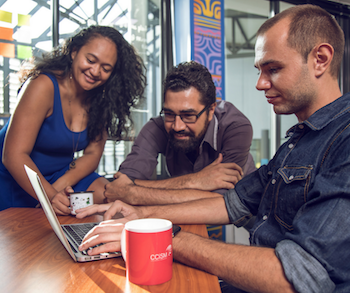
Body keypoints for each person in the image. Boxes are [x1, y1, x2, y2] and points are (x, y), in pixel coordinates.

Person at [77, 4, 350, 292]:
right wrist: (142, 216)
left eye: (273, 69)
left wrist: (161, 235)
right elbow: (231, 203)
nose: (260, 83)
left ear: (320, 59)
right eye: (259, 70)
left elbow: (298, 275)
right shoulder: (299, 140)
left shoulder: (343, 139)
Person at [0, 25, 146, 215]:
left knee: (112, 196)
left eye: (106, 68)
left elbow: (92, 154)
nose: (95, 71)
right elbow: (13, 156)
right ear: (74, 52)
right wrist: (50, 196)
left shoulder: (103, 100)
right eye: (90, 60)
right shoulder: (42, 85)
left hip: (62, 176)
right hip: (16, 176)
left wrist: (60, 185)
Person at [104, 61, 255, 205]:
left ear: (210, 111)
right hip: (185, 212)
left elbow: (220, 200)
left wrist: (134, 191)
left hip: (251, 208)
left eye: (188, 116)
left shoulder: (236, 126)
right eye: (169, 114)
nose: (177, 126)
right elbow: (120, 186)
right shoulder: (156, 127)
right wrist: (195, 181)